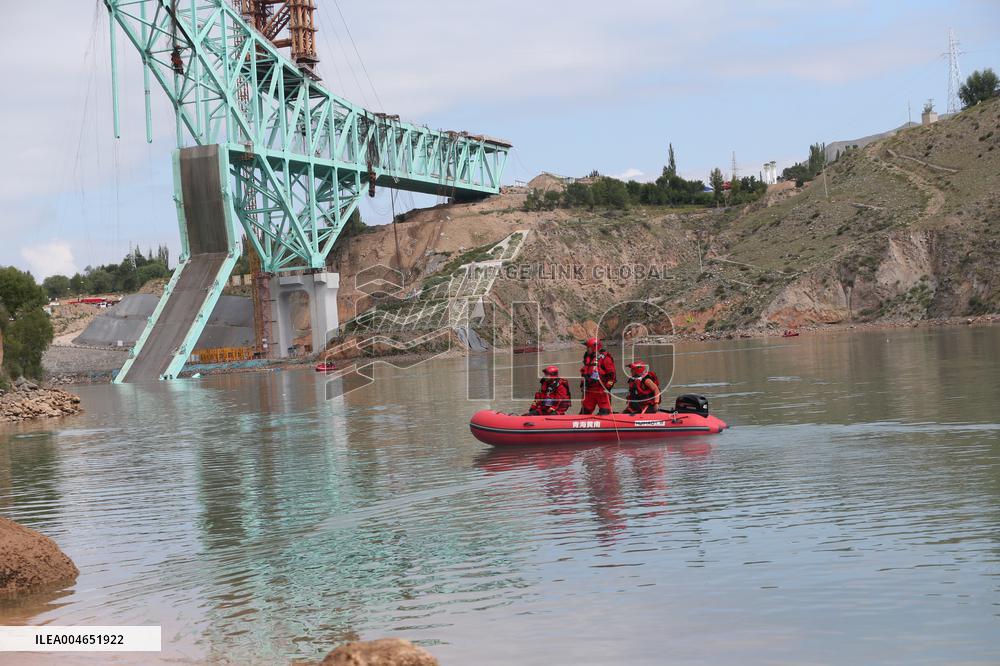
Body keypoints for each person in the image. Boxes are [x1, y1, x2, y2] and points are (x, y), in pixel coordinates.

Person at [579, 337, 616, 415]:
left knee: (605, 413)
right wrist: (583, 388)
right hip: (590, 391)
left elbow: (612, 376)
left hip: (601, 391)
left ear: (594, 347)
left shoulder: (605, 359)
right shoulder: (588, 358)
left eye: (588, 347)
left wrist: (607, 388)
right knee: (584, 413)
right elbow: (585, 375)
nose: (587, 349)